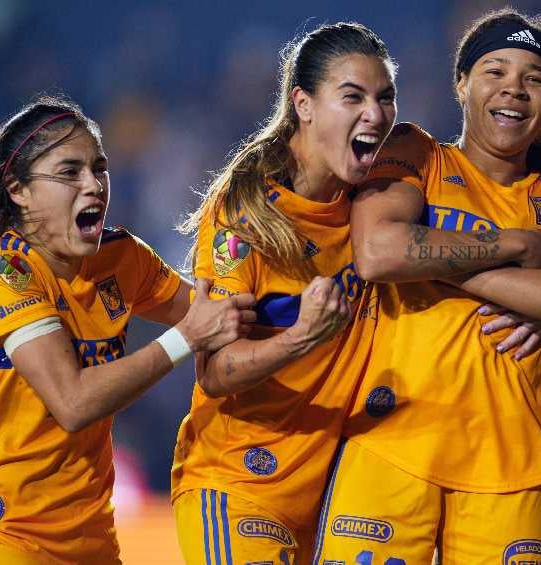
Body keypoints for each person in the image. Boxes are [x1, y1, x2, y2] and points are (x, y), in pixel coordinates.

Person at [0, 70, 256, 565]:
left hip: (90, 544)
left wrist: (275, 280)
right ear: (19, 190)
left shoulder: (122, 258)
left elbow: (217, 319)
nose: (93, 185)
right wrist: (185, 338)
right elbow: (72, 401)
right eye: (69, 172)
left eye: (99, 168)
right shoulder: (2, 273)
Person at [314, 10, 541, 564]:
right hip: (389, 443)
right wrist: (519, 250)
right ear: (461, 84)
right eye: (494, 71)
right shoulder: (416, 152)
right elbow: (379, 252)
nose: (513, 89)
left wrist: (432, 264)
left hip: (512, 465)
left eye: (534, 79)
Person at [170, 22, 397, 564]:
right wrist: (300, 337)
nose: (375, 113)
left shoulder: (381, 201)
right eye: (353, 97)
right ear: (303, 105)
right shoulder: (245, 214)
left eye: (385, 97)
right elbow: (214, 371)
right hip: (240, 482)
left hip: (332, 499)